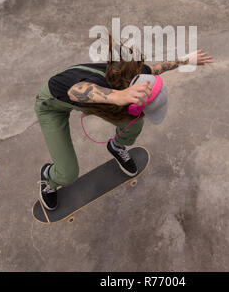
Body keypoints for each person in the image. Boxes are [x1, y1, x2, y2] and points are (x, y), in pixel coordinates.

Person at [35, 38, 213, 210]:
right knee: (68, 175)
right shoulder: (101, 89)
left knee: (133, 123)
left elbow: (159, 67)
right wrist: (118, 96)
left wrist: (187, 60)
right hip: (51, 105)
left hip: (88, 95)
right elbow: (75, 91)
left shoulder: (140, 76)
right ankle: (48, 178)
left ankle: (116, 145)